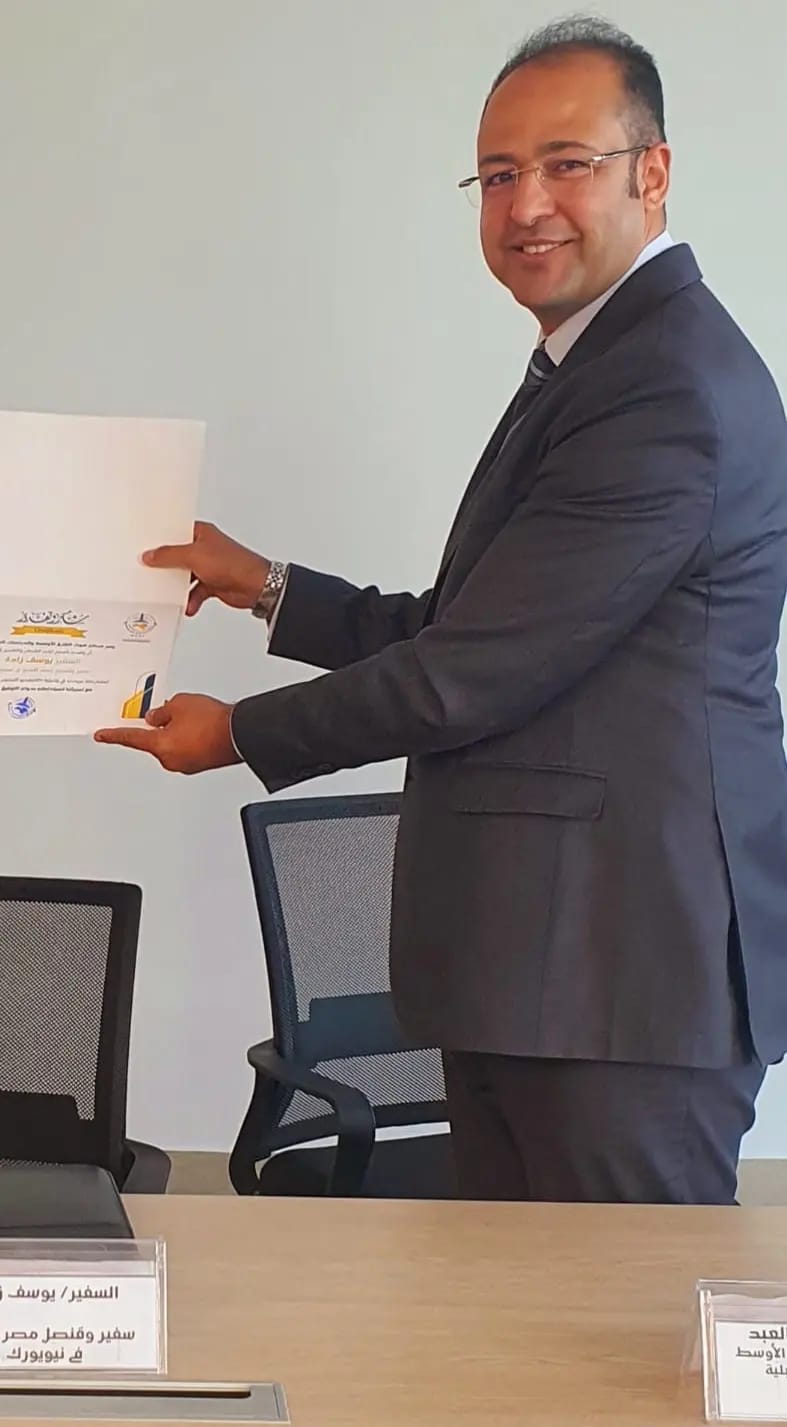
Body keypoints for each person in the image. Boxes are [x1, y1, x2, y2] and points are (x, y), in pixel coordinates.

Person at [97, 19, 787, 1204]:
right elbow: (472, 625)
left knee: (610, 1318)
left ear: (651, 171)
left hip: (617, 979)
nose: (526, 204)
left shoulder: (662, 384)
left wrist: (239, 733)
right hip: (546, 972)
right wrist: (265, 586)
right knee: (518, 1312)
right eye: (497, 175)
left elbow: (473, 669)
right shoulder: (599, 360)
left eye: (565, 163)